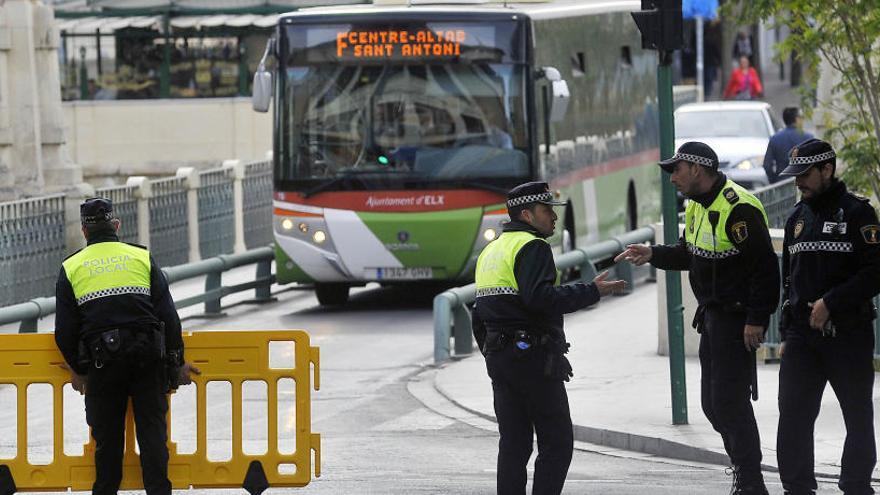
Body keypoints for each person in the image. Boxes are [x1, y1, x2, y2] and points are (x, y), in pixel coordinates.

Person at [614, 142, 779, 494]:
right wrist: (653, 253)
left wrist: (756, 319)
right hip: (713, 319)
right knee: (712, 405)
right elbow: (690, 253)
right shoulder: (696, 206)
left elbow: (765, 270)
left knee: (729, 403)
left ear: (697, 170)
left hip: (737, 320)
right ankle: (745, 471)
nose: (672, 178)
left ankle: (751, 481)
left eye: (677, 170)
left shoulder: (740, 209)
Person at [472, 181, 626, 495]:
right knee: (557, 442)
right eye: (547, 211)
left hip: (500, 359)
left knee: (514, 444)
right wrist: (591, 291)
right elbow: (539, 299)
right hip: (532, 359)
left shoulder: (492, 251)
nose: (554, 218)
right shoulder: (533, 246)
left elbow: (478, 315)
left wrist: (492, 355)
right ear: (527, 214)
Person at [55, 197, 201, 495]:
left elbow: (64, 332)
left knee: (107, 442)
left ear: (84, 231)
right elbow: (168, 317)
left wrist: (80, 370)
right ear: (117, 225)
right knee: (152, 436)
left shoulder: (71, 267)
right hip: (148, 358)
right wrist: (176, 362)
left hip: (102, 364)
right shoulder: (140, 258)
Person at [775, 138, 880, 495]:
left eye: (804, 175)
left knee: (858, 417)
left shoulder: (858, 213)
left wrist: (831, 303)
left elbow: (875, 272)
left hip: (848, 333)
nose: (797, 182)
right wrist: (788, 334)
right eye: (794, 176)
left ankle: (856, 487)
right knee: (793, 418)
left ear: (827, 170)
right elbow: (789, 282)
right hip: (803, 339)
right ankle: (797, 488)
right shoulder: (796, 219)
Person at [763, 107, 814, 184]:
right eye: (802, 118)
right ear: (797, 119)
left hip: (782, 183)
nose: (803, 120)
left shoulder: (775, 139)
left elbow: (767, 165)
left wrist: (774, 180)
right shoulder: (808, 138)